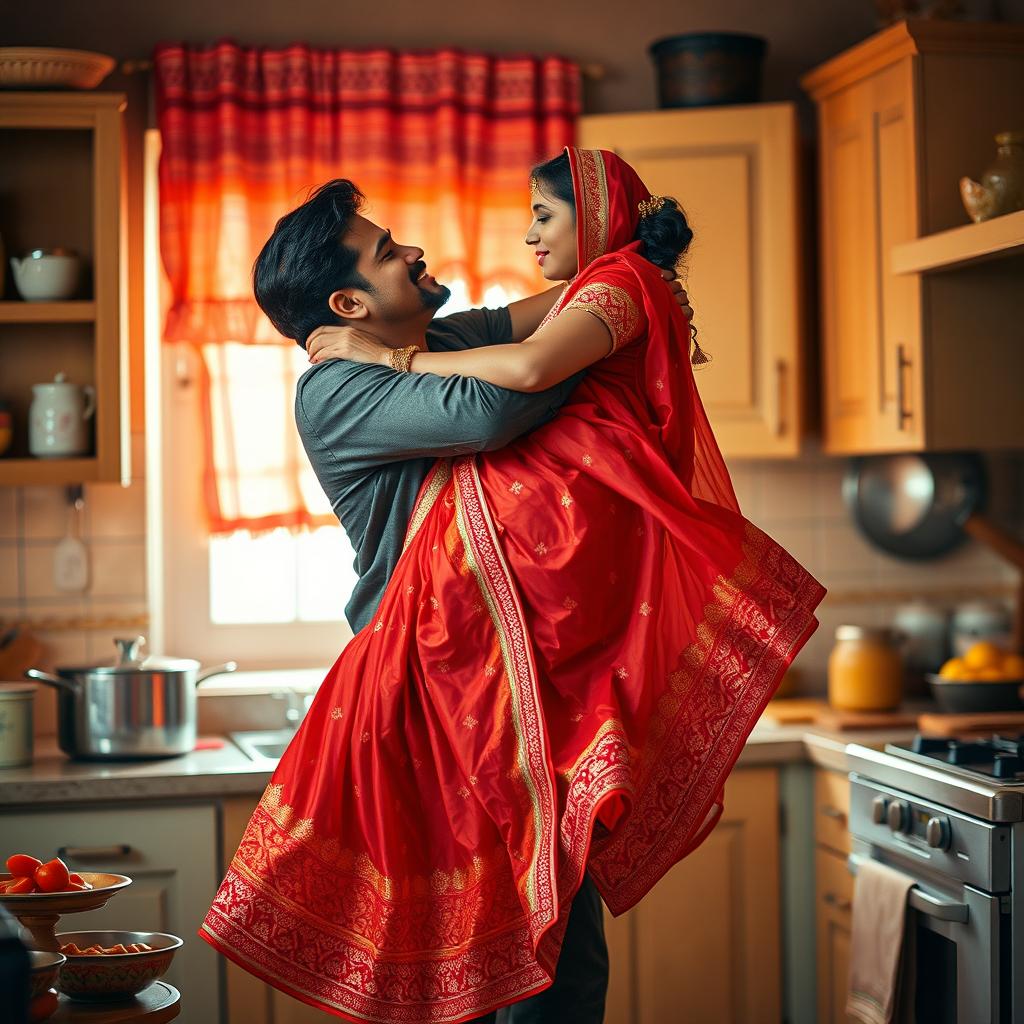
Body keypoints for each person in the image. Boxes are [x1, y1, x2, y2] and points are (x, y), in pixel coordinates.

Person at [201, 148, 825, 1024]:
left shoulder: (436, 340)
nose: (413, 253)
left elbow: (555, 314)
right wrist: (556, 338)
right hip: (430, 706)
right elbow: (500, 405)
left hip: (524, 691)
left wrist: (632, 273)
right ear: (348, 307)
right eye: (388, 254)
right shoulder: (338, 387)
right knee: (503, 967)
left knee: (558, 952)